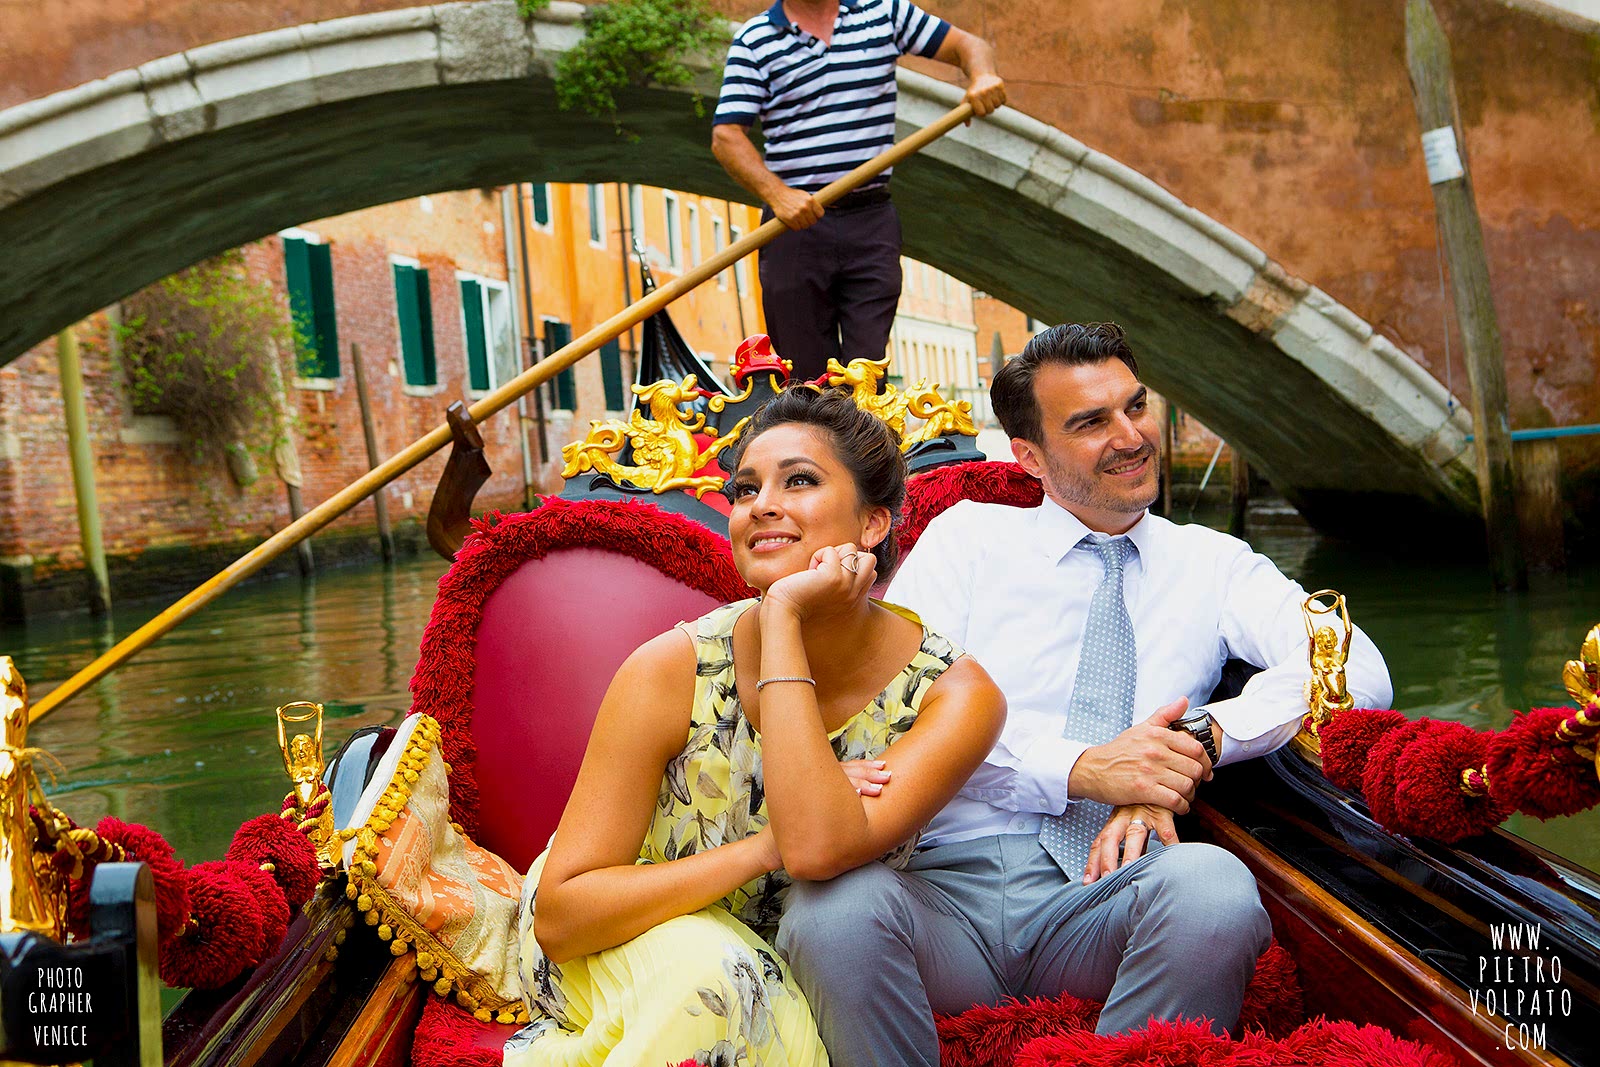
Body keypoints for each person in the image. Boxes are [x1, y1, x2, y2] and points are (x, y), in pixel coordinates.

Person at [775, 322, 1394, 1066]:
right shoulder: (968, 540)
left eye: (1136, 406)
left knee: (1215, 888)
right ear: (1029, 456)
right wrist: (1080, 766)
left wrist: (1191, 742)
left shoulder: (1214, 563)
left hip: (1109, 889)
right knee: (830, 913)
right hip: (937, 889)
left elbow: (1354, 667)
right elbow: (910, 708)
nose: (1131, 436)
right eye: (1092, 422)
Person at [506, 385, 1006, 1067]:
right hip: (620, 936)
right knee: (712, 980)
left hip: (801, 963)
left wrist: (783, 620)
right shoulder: (670, 670)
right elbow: (564, 916)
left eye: (798, 480)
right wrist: (760, 845)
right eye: (745, 489)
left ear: (873, 525)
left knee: (735, 982)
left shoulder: (955, 694)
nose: (761, 503)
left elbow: (819, 852)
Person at [711, 0, 1006, 381]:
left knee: (866, 369)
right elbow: (726, 136)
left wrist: (981, 76)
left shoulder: (884, 12)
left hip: (871, 220)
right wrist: (778, 195)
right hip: (795, 225)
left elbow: (971, 45)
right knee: (804, 374)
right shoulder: (756, 40)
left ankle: (864, 438)